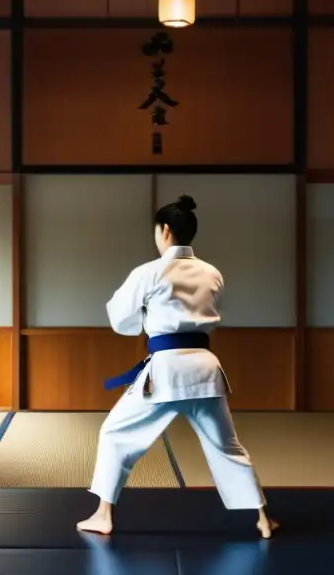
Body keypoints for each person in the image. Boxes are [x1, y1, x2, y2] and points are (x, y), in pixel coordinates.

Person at [77, 194, 278, 539]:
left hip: (166, 373)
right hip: (205, 371)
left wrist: (142, 318)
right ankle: (263, 520)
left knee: (115, 433)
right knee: (228, 445)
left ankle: (103, 515)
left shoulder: (150, 271)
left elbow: (119, 317)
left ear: (165, 230)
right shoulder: (212, 273)